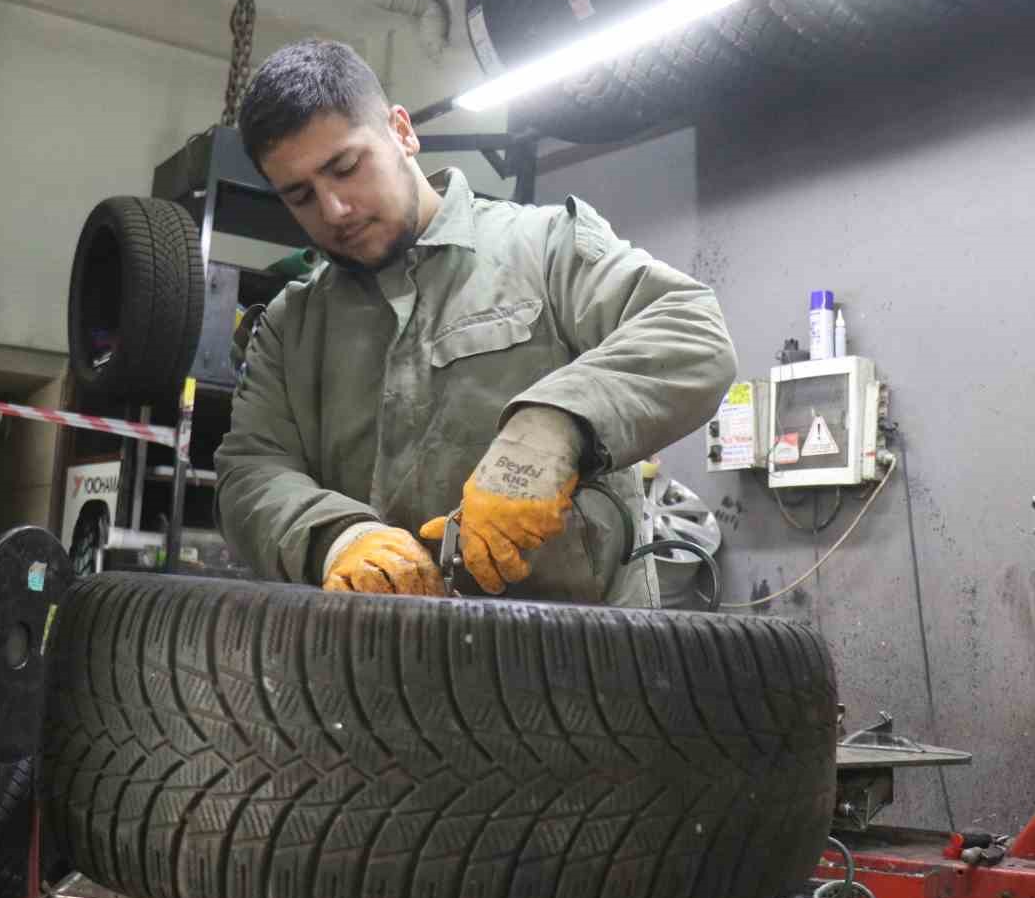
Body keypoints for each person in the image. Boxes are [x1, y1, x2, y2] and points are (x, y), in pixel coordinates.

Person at [214, 39, 736, 607]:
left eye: (345, 167)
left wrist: (553, 428)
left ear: (401, 132)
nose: (335, 209)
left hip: (584, 665)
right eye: (301, 196)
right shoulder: (292, 329)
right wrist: (336, 538)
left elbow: (690, 329)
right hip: (372, 662)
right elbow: (250, 471)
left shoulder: (544, 249)